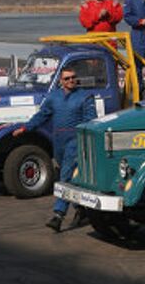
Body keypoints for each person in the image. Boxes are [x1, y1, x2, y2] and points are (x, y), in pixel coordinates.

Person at [12, 67, 97, 232]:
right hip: (58, 141)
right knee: (67, 176)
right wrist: (26, 128)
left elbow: (90, 121)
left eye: (73, 77)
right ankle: (81, 209)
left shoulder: (85, 97)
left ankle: (58, 215)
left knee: (65, 176)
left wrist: (84, 140)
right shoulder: (53, 97)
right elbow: (42, 115)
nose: (71, 81)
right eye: (67, 79)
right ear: (61, 81)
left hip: (75, 140)